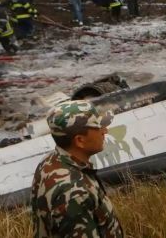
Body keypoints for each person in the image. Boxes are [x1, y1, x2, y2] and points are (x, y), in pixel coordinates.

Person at [31, 100, 123, 237]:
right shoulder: (74, 193)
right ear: (80, 140)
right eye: (98, 128)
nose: (105, 131)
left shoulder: (49, 161)